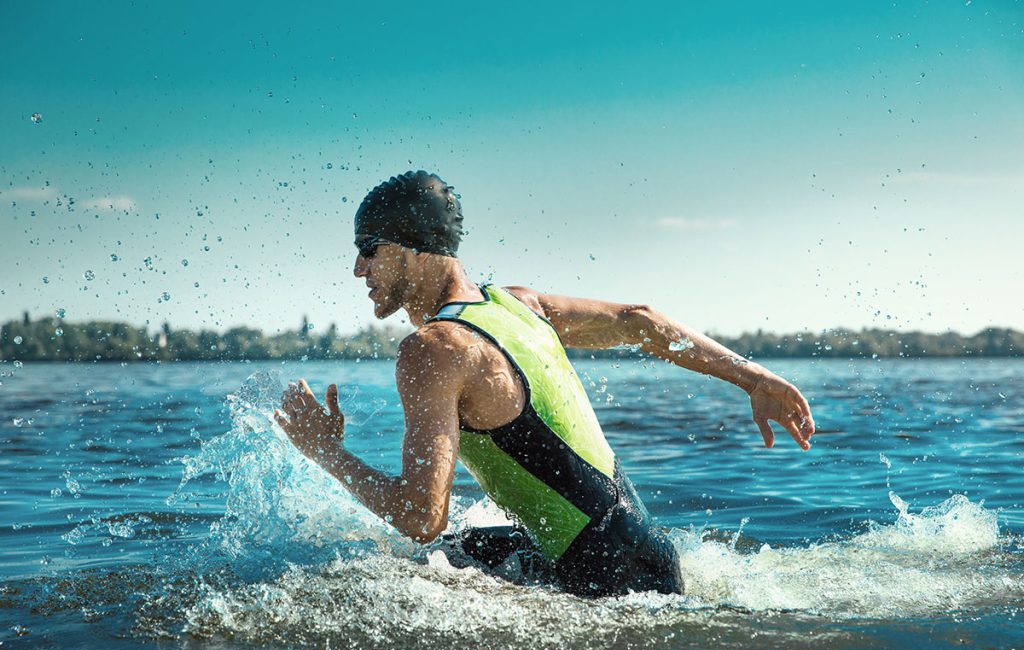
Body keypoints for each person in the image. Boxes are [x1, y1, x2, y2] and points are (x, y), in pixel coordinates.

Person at [275, 170, 815, 597]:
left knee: (403, 567)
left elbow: (421, 516)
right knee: (447, 556)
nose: (356, 269)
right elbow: (640, 320)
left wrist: (326, 452)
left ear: (412, 247)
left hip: (601, 585)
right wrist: (754, 378)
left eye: (368, 248)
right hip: (652, 557)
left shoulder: (434, 350)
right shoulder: (516, 304)